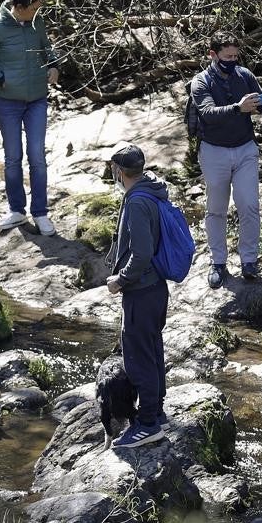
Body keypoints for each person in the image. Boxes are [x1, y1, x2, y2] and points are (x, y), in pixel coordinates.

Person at [0, 0, 61, 236]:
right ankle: (17, 211)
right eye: (33, 9)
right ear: (18, 8)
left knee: (38, 158)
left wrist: (53, 65)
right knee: (13, 159)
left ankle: (40, 213)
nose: (37, 13)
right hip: (8, 104)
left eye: (39, 8)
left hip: (38, 100)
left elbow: (47, 49)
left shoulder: (37, 23)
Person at [189, 32, 262, 286]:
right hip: (213, 151)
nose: (232, 60)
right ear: (213, 55)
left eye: (235, 56)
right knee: (216, 209)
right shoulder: (201, 82)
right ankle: (218, 263)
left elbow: (258, 102)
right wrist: (237, 108)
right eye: (227, 56)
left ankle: (249, 261)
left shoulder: (245, 75)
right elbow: (207, 113)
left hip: (245, 150)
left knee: (249, 205)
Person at [106, 143, 170, 448]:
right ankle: (156, 410)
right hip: (156, 289)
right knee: (152, 350)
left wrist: (120, 279)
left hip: (141, 292)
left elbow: (142, 253)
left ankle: (147, 424)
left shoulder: (135, 203)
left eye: (112, 169)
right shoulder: (151, 191)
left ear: (119, 171)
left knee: (138, 360)